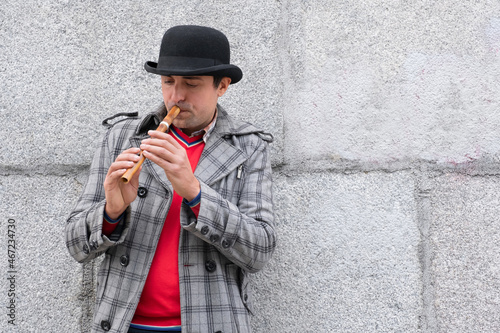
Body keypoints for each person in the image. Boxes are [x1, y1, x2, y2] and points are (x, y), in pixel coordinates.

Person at [65, 25, 276, 333]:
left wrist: (194, 191)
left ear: (222, 86)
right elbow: (76, 245)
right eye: (168, 82)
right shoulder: (123, 136)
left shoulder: (248, 146)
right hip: (124, 323)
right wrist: (111, 212)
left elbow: (259, 250)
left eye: (192, 84)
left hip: (210, 323)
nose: (176, 95)